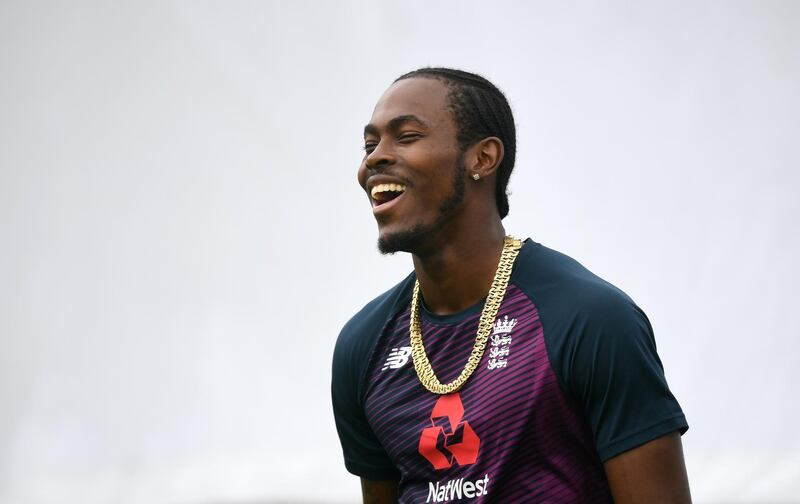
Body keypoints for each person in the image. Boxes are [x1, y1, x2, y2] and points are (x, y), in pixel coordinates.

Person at [331, 67, 691, 503]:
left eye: (405, 136)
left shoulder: (589, 319)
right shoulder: (363, 346)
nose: (374, 159)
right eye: (370, 145)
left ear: (482, 158)